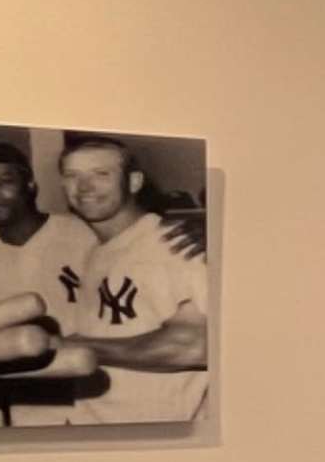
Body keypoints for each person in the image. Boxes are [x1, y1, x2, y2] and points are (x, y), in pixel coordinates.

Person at [51, 133, 212, 423]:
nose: (85, 187)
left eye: (101, 174)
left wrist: (76, 346)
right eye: (72, 175)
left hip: (160, 434)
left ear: (134, 182)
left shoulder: (173, 244)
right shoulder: (96, 251)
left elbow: (195, 346)